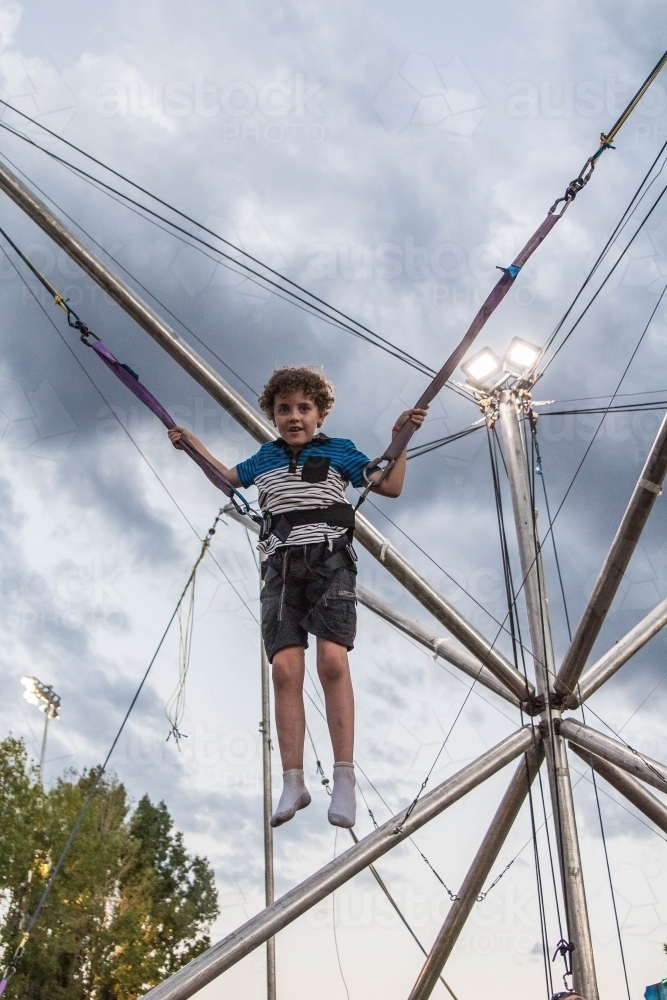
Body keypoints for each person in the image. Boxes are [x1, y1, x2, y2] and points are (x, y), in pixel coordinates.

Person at [168, 366, 426, 829]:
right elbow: (226, 478)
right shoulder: (264, 458)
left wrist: (399, 439)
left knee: (332, 661)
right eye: (283, 409)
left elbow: (388, 485)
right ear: (271, 414)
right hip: (280, 568)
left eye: (303, 408)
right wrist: (192, 444)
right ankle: (293, 779)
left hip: (329, 562)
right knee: (285, 669)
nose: (293, 417)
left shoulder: (340, 452)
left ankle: (344, 776)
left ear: (320, 414)